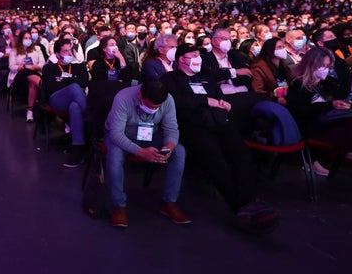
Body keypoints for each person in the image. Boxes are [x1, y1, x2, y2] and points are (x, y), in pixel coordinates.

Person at [161, 44, 278, 234]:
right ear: (182, 59)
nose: (198, 58)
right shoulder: (170, 79)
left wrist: (223, 103)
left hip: (220, 123)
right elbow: (174, 101)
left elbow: (217, 96)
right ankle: (240, 208)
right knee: (216, 161)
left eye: (199, 55)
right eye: (193, 55)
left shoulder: (206, 78)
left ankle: (250, 203)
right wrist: (205, 101)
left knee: (242, 156)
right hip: (193, 127)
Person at [104, 81, 189, 228]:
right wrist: (140, 152)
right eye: (150, 106)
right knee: (115, 157)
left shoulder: (167, 99)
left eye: (157, 107)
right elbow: (115, 134)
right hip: (122, 135)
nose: (153, 109)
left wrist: (169, 146)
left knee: (179, 151)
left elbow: (171, 128)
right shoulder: (123, 98)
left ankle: (169, 202)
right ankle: (118, 205)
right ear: (140, 95)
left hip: (149, 135)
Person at [287, 47, 352, 202]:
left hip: (334, 120)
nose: (325, 70)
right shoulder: (298, 84)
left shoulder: (327, 81)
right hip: (315, 126)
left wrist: (342, 103)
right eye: (322, 66)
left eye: (328, 66)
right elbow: (301, 113)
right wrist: (330, 105)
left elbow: (339, 96)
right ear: (310, 65)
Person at [40, 39, 89, 168]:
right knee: (74, 87)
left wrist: (62, 80)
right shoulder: (49, 67)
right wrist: (72, 80)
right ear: (57, 54)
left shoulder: (78, 65)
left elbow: (84, 81)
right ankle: (90, 123)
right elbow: (52, 86)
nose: (69, 54)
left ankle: (78, 147)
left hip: (74, 100)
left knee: (75, 107)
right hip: (56, 99)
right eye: (65, 51)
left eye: (70, 50)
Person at [8, 31, 45, 123]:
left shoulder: (37, 49)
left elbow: (42, 64)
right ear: (21, 40)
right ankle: (43, 85)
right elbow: (11, 67)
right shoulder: (14, 51)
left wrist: (33, 67)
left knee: (32, 83)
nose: (28, 40)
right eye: (25, 38)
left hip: (34, 75)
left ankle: (30, 111)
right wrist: (23, 66)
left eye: (29, 38)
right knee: (25, 70)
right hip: (19, 78)